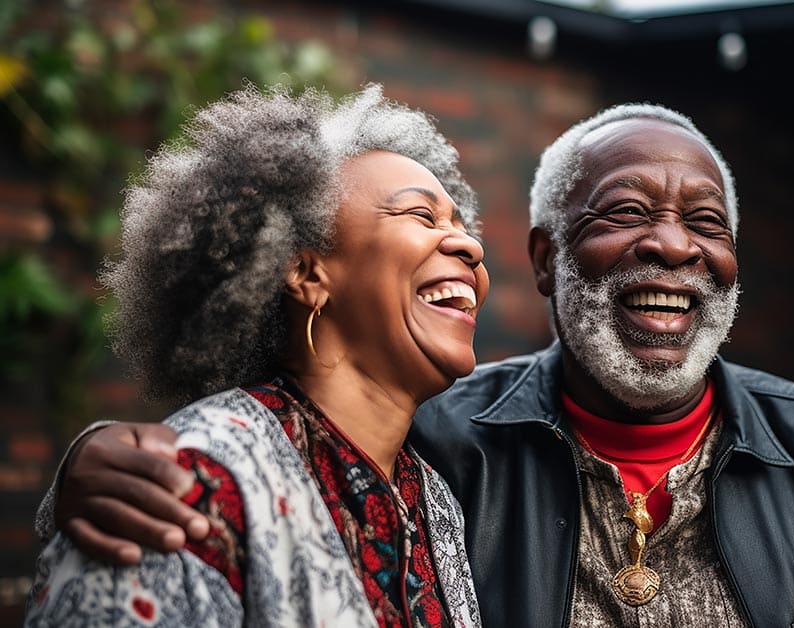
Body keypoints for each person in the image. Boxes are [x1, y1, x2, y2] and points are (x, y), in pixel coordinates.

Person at [39, 103, 794, 627]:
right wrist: (89, 471)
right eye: (622, 212)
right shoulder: (442, 452)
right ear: (550, 258)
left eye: (709, 224)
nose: (675, 248)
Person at [25, 84, 488, 627]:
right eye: (421, 216)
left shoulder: (434, 502)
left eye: (461, 225)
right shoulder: (181, 486)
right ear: (306, 273)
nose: (472, 247)